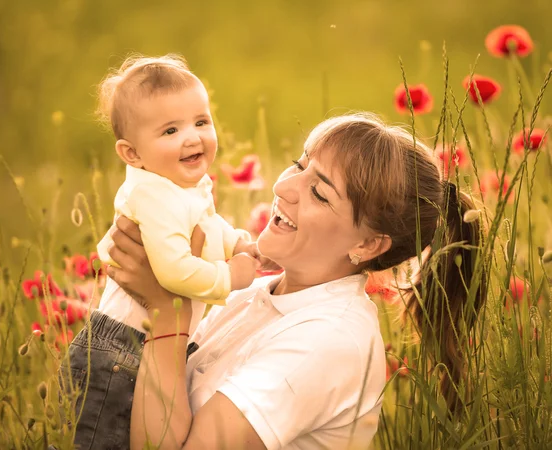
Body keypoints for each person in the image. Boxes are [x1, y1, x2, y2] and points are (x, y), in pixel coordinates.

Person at [105, 113, 486, 449]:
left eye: (319, 193)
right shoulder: (258, 293)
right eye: (297, 165)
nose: (283, 188)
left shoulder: (327, 342)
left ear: (368, 243)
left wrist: (167, 312)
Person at [61, 54, 261, 449]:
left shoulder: (177, 185)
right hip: (120, 351)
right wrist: (229, 277)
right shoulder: (152, 194)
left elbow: (205, 225)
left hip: (144, 341)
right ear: (131, 154)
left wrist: (237, 241)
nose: (192, 137)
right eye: (170, 130)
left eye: (201, 122)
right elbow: (172, 271)